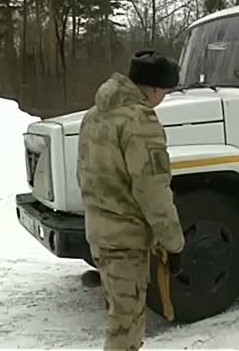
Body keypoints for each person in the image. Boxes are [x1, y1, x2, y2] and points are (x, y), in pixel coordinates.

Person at [76, 49, 186, 351]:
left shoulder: (94, 115)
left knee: (118, 316)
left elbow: (83, 175)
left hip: (100, 235)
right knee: (125, 329)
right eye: (164, 91)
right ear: (153, 88)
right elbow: (153, 190)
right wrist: (173, 243)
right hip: (126, 241)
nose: (163, 98)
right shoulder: (140, 120)